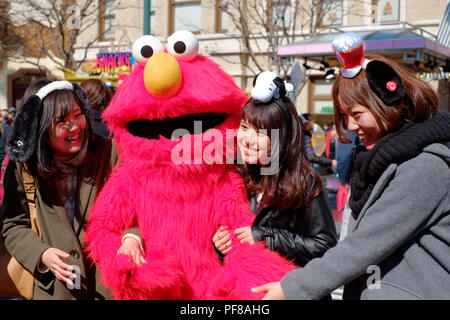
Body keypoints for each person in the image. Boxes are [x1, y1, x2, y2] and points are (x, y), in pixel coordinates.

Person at [252, 33, 450, 300]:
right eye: (344, 116)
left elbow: (364, 247)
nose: (352, 127)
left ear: (390, 102)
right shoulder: (378, 162)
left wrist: (291, 288)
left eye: (357, 114)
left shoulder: (426, 166)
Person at [0, 79, 136, 299]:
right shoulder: (24, 165)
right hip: (55, 289)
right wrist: (41, 254)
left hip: (109, 286)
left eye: (78, 115)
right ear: (42, 126)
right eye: (62, 121)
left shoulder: (110, 152)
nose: (75, 127)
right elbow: (13, 224)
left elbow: (138, 207)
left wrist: (132, 237)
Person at [211, 71, 338, 299]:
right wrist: (220, 245)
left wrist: (265, 236)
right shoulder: (237, 177)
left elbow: (325, 246)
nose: (247, 139)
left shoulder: (303, 181)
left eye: (260, 132)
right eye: (244, 127)